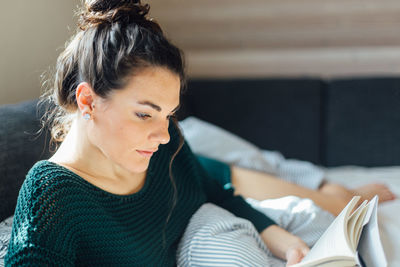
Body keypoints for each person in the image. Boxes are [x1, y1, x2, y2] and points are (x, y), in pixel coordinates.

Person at [5, 0, 310, 266]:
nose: (163, 134)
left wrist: (290, 246)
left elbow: (214, 192)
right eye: (144, 114)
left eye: (168, 115)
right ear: (88, 101)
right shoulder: (52, 195)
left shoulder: (166, 147)